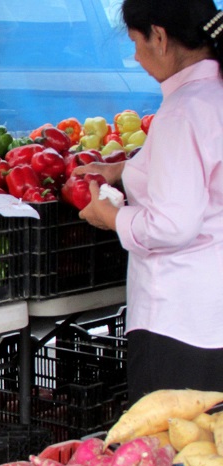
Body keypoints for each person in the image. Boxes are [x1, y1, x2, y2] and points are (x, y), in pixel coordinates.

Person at [75, 0, 223, 402]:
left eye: (135, 43)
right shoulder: (212, 95)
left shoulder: (184, 111)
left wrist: (113, 217)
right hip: (213, 319)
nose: (136, 57)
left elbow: (172, 225)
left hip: (180, 323)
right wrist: (123, 170)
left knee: (175, 456)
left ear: (159, 36)